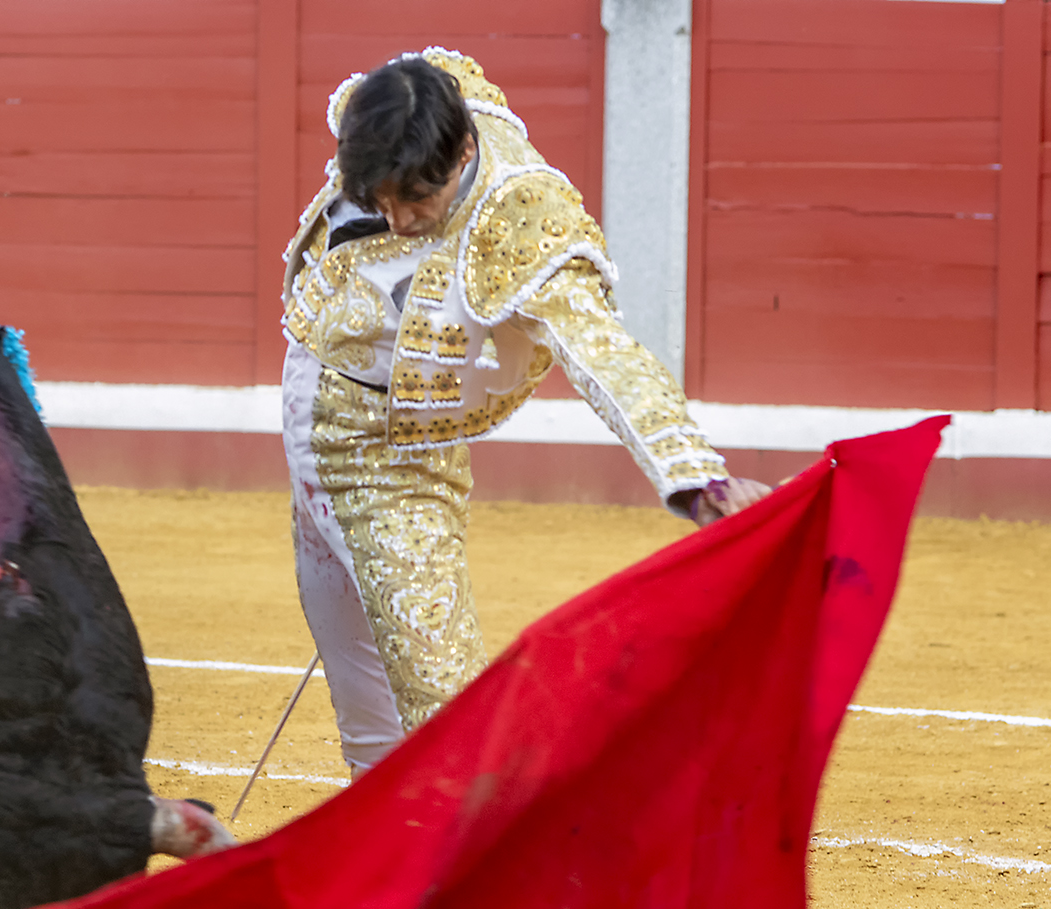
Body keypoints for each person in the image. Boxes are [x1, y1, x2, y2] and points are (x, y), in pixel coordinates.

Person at [281, 48, 770, 776]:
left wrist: (698, 478)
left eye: (415, 199)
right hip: (341, 426)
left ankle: (394, 861)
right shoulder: (393, 118)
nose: (397, 218)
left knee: (401, 707)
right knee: (435, 715)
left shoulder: (520, 220)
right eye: (378, 198)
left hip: (407, 435)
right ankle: (405, 866)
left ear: (466, 151)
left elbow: (603, 352)